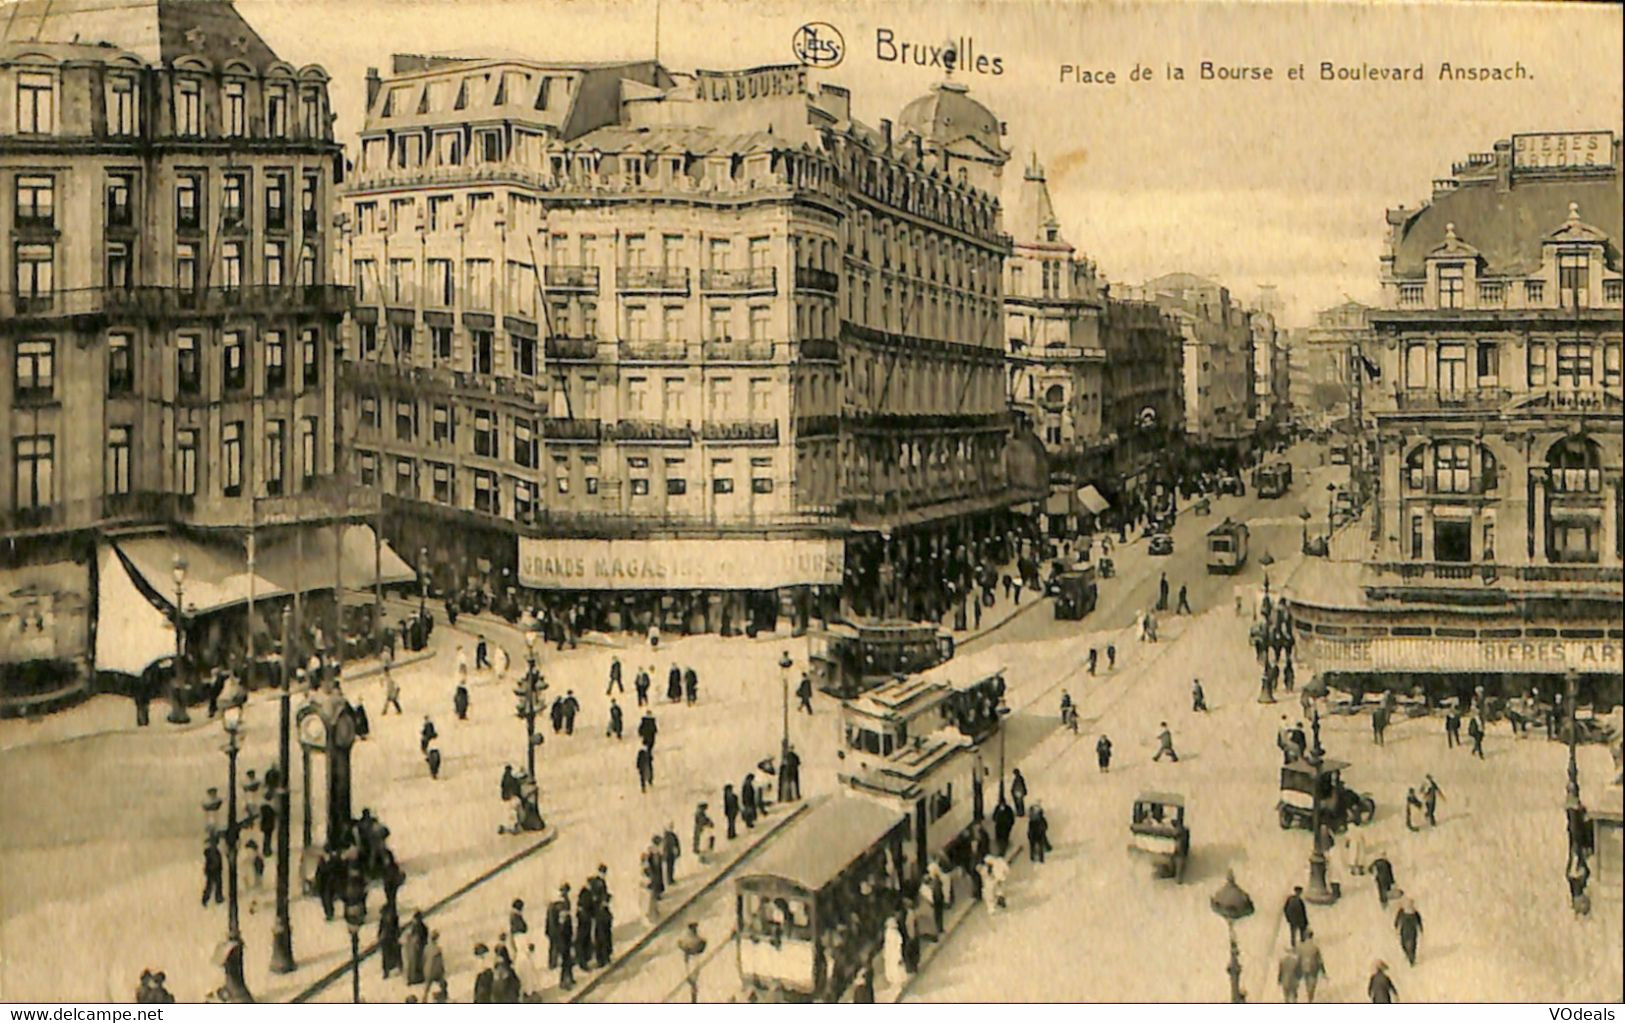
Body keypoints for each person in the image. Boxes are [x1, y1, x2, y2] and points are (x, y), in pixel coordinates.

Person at [1296, 928, 1327, 1002]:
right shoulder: (1315, 948)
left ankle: (1309, 994)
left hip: (1304, 968)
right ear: (1311, 936)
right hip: (1313, 968)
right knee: (1312, 983)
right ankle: (1310, 997)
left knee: (1307, 982)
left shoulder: (1301, 947)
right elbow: (1320, 961)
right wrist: (1323, 972)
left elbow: (1298, 959)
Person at [1394, 898, 1423, 965]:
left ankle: (1409, 956)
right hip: (1412, 931)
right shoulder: (1415, 913)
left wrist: (1396, 926)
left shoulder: (1402, 911)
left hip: (1405, 931)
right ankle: (1411, 958)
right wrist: (1421, 929)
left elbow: (1397, 920)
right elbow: (1419, 922)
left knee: (1404, 943)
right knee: (1412, 945)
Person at [202, 836, 224, 906]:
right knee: (210, 886)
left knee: (216, 885)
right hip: (212, 871)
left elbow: (219, 863)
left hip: (214, 871)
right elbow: (210, 863)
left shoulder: (216, 853)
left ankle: (217, 898)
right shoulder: (212, 853)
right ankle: (207, 899)